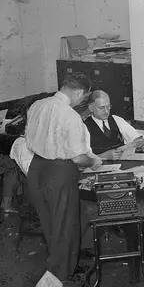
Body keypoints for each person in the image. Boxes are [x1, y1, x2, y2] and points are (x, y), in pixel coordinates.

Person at [25, 73, 102, 282]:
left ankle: (55, 267)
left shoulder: (37, 105)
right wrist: (94, 162)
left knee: (49, 222)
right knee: (65, 225)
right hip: (59, 172)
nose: (81, 102)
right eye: (83, 98)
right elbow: (77, 158)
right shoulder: (70, 116)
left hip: (36, 167)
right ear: (78, 92)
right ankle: (61, 276)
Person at [84, 90, 144, 159]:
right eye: (101, 108)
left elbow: (138, 137)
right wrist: (102, 157)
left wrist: (141, 142)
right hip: (98, 168)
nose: (106, 111)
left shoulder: (116, 120)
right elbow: (81, 160)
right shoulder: (83, 127)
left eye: (108, 107)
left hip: (122, 166)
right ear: (91, 107)